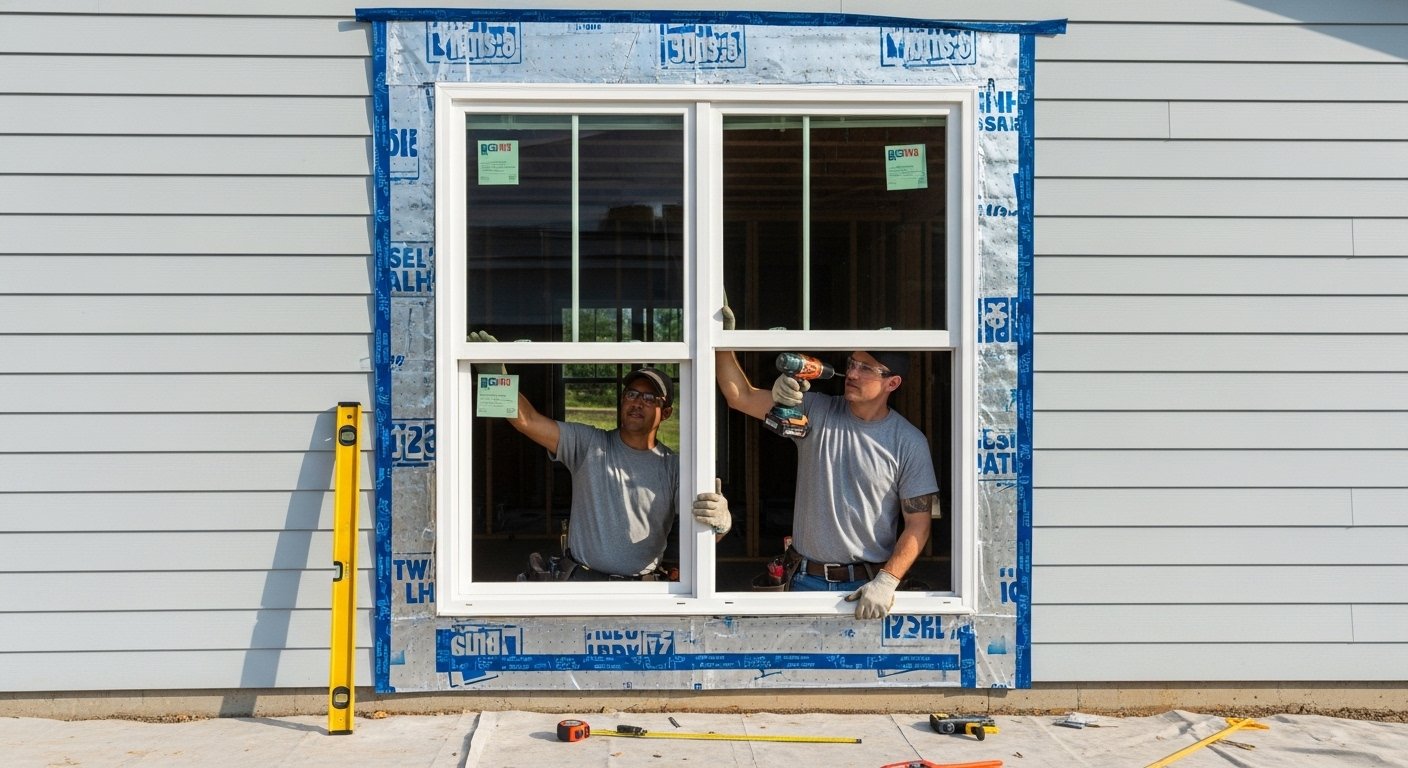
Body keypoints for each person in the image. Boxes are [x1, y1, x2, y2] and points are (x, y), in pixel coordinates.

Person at [713, 309, 938, 618]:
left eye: (867, 368)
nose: (854, 374)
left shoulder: (908, 442)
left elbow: (918, 524)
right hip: (804, 579)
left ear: (892, 382)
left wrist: (888, 581)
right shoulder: (816, 411)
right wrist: (720, 339)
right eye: (852, 364)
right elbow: (739, 396)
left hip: (867, 587)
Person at [470, 331, 730, 581]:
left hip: (643, 592)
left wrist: (721, 522)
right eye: (631, 394)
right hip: (583, 582)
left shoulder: (674, 468)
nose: (637, 402)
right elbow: (527, 421)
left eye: (650, 398)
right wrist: (496, 379)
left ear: (667, 412)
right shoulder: (589, 445)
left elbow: (704, 530)